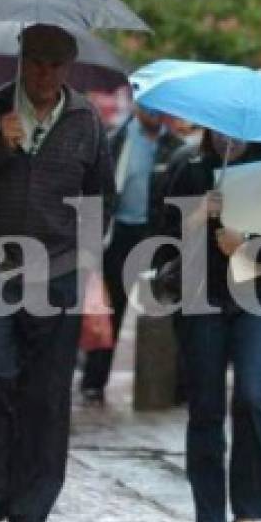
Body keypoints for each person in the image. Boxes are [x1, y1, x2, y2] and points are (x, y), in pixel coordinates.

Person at [0, 23, 114, 522]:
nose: (43, 73)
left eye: (55, 63)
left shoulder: (86, 119)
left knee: (46, 396)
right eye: (35, 61)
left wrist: (86, 272)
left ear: (69, 68)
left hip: (57, 272)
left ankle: (30, 514)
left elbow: (99, 201)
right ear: (21, 60)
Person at [160, 130, 261, 522]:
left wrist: (245, 244)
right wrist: (194, 219)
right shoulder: (188, 172)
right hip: (202, 300)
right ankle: (208, 520)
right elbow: (158, 243)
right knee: (205, 405)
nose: (228, 138)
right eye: (218, 129)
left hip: (256, 300)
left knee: (250, 397)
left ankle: (248, 512)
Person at [79, 104, 183, 404]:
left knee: (164, 310)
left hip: (160, 237)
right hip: (121, 235)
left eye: (157, 105)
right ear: (136, 106)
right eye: (146, 105)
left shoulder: (175, 147)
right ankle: (94, 382)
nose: (153, 111)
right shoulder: (116, 142)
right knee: (111, 308)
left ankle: (167, 385)